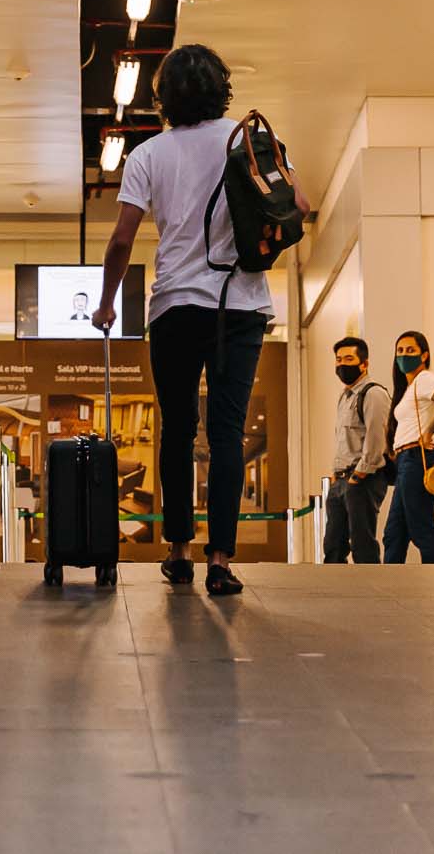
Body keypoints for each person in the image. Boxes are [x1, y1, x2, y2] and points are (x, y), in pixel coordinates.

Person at [92, 44, 310, 596]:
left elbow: (121, 240)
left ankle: (179, 552)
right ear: (222, 88)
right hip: (241, 305)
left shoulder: (148, 155)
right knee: (227, 432)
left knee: (178, 429)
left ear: (163, 96)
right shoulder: (249, 140)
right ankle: (220, 561)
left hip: (175, 306)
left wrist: (107, 302)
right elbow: (300, 205)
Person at [380, 330, 434, 565]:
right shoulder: (411, 387)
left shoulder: (424, 379)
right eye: (400, 351)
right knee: (394, 533)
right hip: (407, 460)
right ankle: (391, 582)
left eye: (410, 350)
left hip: (417, 458)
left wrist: (429, 433)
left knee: (421, 528)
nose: (404, 355)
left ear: (424, 355)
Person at [323, 336, 393, 564]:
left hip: (363, 480)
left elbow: (376, 438)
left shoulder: (374, 394)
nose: (342, 364)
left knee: (362, 546)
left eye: (349, 359)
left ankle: (370, 587)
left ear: (364, 364)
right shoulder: (345, 396)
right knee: (333, 546)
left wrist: (359, 474)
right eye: (339, 359)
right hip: (341, 480)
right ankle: (336, 587)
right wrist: (336, 475)